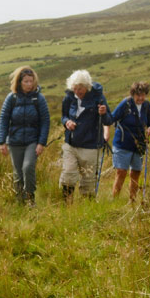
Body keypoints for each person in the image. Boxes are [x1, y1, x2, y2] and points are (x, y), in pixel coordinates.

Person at [0, 66, 50, 206]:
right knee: (18, 173)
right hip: (15, 141)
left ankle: (30, 198)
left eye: (31, 81)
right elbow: (4, 119)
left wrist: (41, 143)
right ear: (19, 82)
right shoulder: (12, 98)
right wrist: (2, 142)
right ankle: (20, 201)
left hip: (32, 141)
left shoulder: (39, 99)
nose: (29, 84)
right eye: (26, 81)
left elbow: (45, 121)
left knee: (28, 167)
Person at [60, 70, 112, 203]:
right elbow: (64, 116)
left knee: (88, 182)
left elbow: (108, 121)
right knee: (68, 175)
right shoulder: (69, 97)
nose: (78, 91)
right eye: (75, 88)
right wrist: (67, 122)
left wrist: (104, 113)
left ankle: (86, 208)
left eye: (81, 88)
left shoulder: (98, 98)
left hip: (91, 146)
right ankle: (66, 206)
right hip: (71, 144)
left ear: (87, 86)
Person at [111, 81, 150, 201]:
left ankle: (132, 201)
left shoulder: (147, 106)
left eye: (143, 95)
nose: (140, 98)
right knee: (121, 172)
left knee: (136, 173)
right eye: (138, 95)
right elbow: (112, 118)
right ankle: (115, 200)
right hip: (122, 143)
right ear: (133, 94)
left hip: (139, 145)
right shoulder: (125, 104)